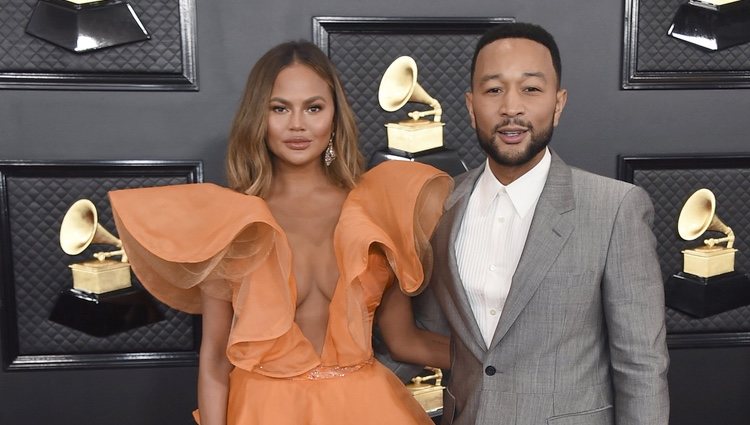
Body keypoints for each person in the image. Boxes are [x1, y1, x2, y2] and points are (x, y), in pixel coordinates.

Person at [108, 40, 452, 425]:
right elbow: (215, 361)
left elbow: (404, 340)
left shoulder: (374, 209)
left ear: (335, 116)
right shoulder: (233, 220)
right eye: (279, 108)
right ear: (260, 116)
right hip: (262, 412)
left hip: (366, 408)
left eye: (314, 107)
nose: (298, 124)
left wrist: (503, 360)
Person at [412, 22, 670, 425]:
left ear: (558, 102)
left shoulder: (615, 208)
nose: (511, 107)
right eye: (493, 89)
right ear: (469, 104)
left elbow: (641, 365)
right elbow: (428, 332)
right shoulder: (440, 204)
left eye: (531, 89)